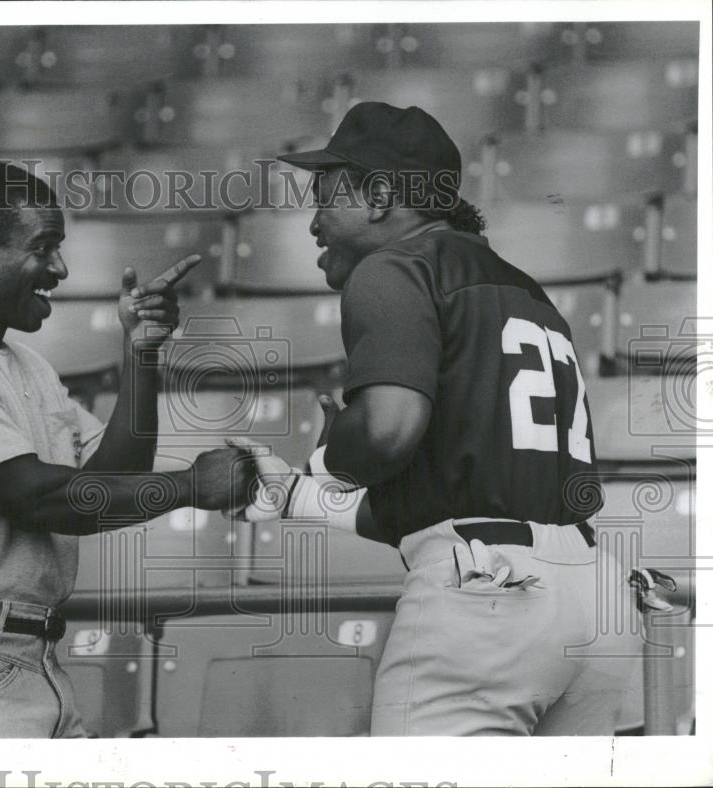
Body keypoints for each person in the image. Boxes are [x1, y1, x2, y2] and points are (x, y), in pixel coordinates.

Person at [229, 102, 638, 736]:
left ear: (381, 195)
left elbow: (389, 434)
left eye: (325, 196)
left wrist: (340, 449)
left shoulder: (394, 267)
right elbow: (450, 506)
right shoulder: (527, 291)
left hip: (489, 604)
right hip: (595, 600)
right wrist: (293, 495)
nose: (314, 223)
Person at [0, 161, 255, 738]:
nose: (60, 268)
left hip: (24, 661)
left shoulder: (25, 365)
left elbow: (112, 479)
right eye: (43, 248)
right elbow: (39, 500)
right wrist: (191, 486)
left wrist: (139, 354)